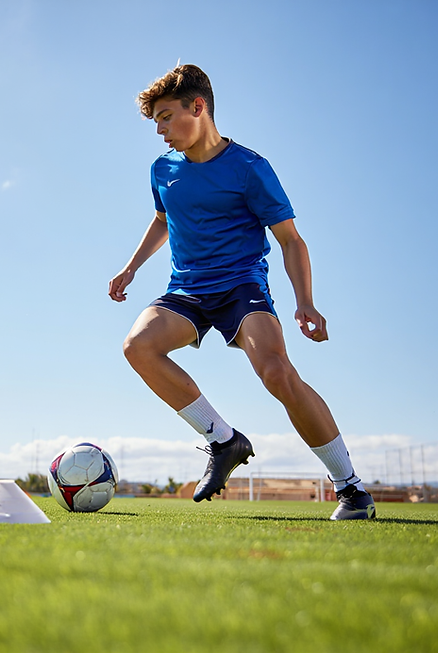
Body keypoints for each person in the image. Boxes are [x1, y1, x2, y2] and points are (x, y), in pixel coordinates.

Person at [109, 64, 375, 520]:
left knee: (276, 373)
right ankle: (222, 440)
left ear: (199, 107)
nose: (161, 130)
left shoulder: (250, 168)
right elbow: (162, 220)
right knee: (138, 347)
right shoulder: (161, 169)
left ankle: (349, 488)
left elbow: (291, 239)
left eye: (168, 117)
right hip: (187, 290)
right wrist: (132, 267)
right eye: (156, 122)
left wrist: (304, 302)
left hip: (241, 287)